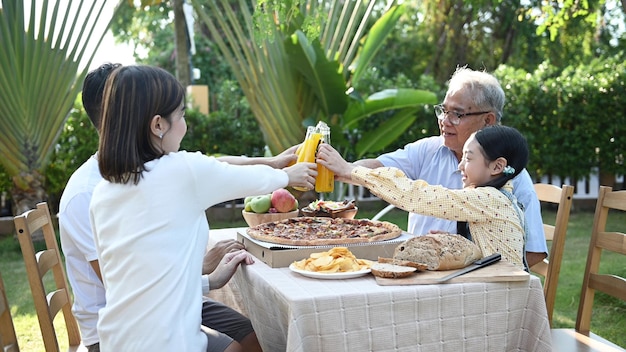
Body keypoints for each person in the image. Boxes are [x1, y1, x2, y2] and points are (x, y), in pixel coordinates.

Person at [63, 64, 313, 351]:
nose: (185, 124)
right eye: (181, 114)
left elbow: (139, 286)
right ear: (158, 125)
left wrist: (210, 281)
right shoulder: (181, 171)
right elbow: (236, 176)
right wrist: (289, 176)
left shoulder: (104, 192)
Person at [346, 67, 547, 267]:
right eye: (443, 111)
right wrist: (457, 247)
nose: (444, 121)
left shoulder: (505, 185)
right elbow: (378, 166)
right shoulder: (428, 149)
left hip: (479, 288)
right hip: (428, 272)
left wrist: (460, 260)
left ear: (488, 120)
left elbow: (533, 253)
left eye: (457, 114)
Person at [318, 125, 530, 269]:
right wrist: (457, 243)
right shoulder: (499, 198)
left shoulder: (489, 199)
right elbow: (492, 249)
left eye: (468, 158)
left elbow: (418, 196)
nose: (460, 166)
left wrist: (352, 171)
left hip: (503, 298)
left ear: (497, 166)